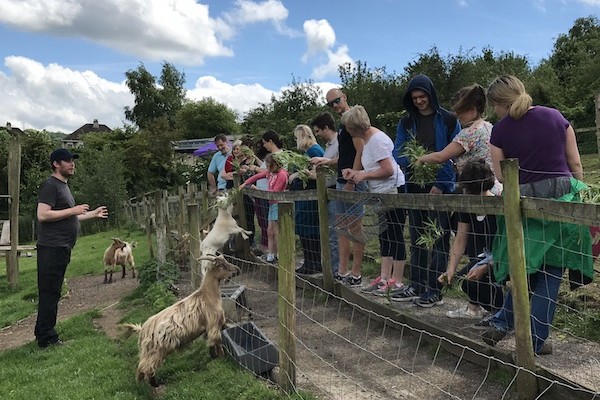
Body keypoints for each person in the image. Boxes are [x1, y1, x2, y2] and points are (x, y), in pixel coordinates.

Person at [482, 75, 593, 355]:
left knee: (525, 266)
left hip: (525, 200)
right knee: (552, 270)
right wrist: (575, 203)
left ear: (497, 102)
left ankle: (501, 322)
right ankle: (535, 340)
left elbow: (500, 175)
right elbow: (576, 163)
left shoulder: (500, 130)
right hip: (562, 195)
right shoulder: (555, 117)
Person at [393, 74, 461, 307]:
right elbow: (397, 152)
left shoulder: (449, 120)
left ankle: (435, 288)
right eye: (415, 98)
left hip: (440, 187)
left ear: (431, 95)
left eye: (423, 96)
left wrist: (441, 184)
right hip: (414, 185)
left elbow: (454, 155)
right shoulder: (406, 123)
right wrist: (413, 160)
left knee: (439, 237)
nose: (419, 101)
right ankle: (418, 283)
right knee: (417, 236)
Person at [35, 148, 109, 348]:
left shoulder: (63, 186)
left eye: (72, 160)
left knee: (52, 291)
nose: (72, 163)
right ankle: (47, 338)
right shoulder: (51, 185)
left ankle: (42, 332)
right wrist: (73, 210)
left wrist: (91, 214)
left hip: (61, 247)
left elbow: (68, 216)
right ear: (56, 164)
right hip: (51, 247)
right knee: (50, 292)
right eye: (67, 161)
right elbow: (43, 215)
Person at [340, 106, 407, 297]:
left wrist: (364, 175)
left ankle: (398, 280)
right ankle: (384, 277)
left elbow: (388, 170)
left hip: (392, 191)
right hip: (380, 192)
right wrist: (356, 174)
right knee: (384, 235)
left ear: (354, 127)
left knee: (395, 234)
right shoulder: (368, 140)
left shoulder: (376, 141)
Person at [437, 159, 502, 323]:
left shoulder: (499, 208)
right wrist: (450, 269)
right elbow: (460, 238)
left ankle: (503, 312)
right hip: (479, 257)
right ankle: (474, 308)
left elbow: (506, 247)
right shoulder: (466, 207)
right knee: (464, 278)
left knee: (470, 280)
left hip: (500, 258)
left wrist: (488, 265)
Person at [416, 84, 502, 195]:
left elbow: (440, 157)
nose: (457, 115)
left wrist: (421, 159)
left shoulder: (469, 133)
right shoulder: (488, 126)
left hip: (477, 190)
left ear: (472, 110)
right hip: (493, 187)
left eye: (460, 111)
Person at [323, 88, 367, 286]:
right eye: (330, 103)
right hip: (343, 180)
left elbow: (361, 151)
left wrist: (352, 181)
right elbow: (346, 156)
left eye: (336, 100)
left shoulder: (353, 121)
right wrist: (326, 162)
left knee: (355, 227)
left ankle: (356, 272)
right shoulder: (342, 125)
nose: (334, 105)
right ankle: (342, 269)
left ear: (345, 97)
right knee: (341, 226)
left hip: (353, 182)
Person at [239, 153, 288, 263]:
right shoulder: (270, 173)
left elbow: (275, 192)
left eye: (269, 166)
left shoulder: (282, 175)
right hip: (271, 204)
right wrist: (245, 183)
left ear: (276, 164)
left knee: (276, 231)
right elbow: (257, 176)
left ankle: (280, 255)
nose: (267, 168)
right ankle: (270, 254)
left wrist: (257, 190)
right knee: (269, 231)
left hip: (278, 204)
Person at [289, 124, 325, 275]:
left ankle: (313, 262)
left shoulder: (313, 151)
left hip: (310, 198)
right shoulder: (310, 151)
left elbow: (317, 173)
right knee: (305, 229)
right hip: (305, 196)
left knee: (309, 229)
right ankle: (310, 261)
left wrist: (297, 175)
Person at [310, 112, 340, 277]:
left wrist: (325, 162)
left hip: (336, 191)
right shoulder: (329, 146)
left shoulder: (340, 142)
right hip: (327, 191)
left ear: (326, 128)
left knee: (334, 232)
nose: (317, 135)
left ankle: (335, 271)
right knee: (329, 232)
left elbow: (342, 162)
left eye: (318, 131)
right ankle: (331, 268)